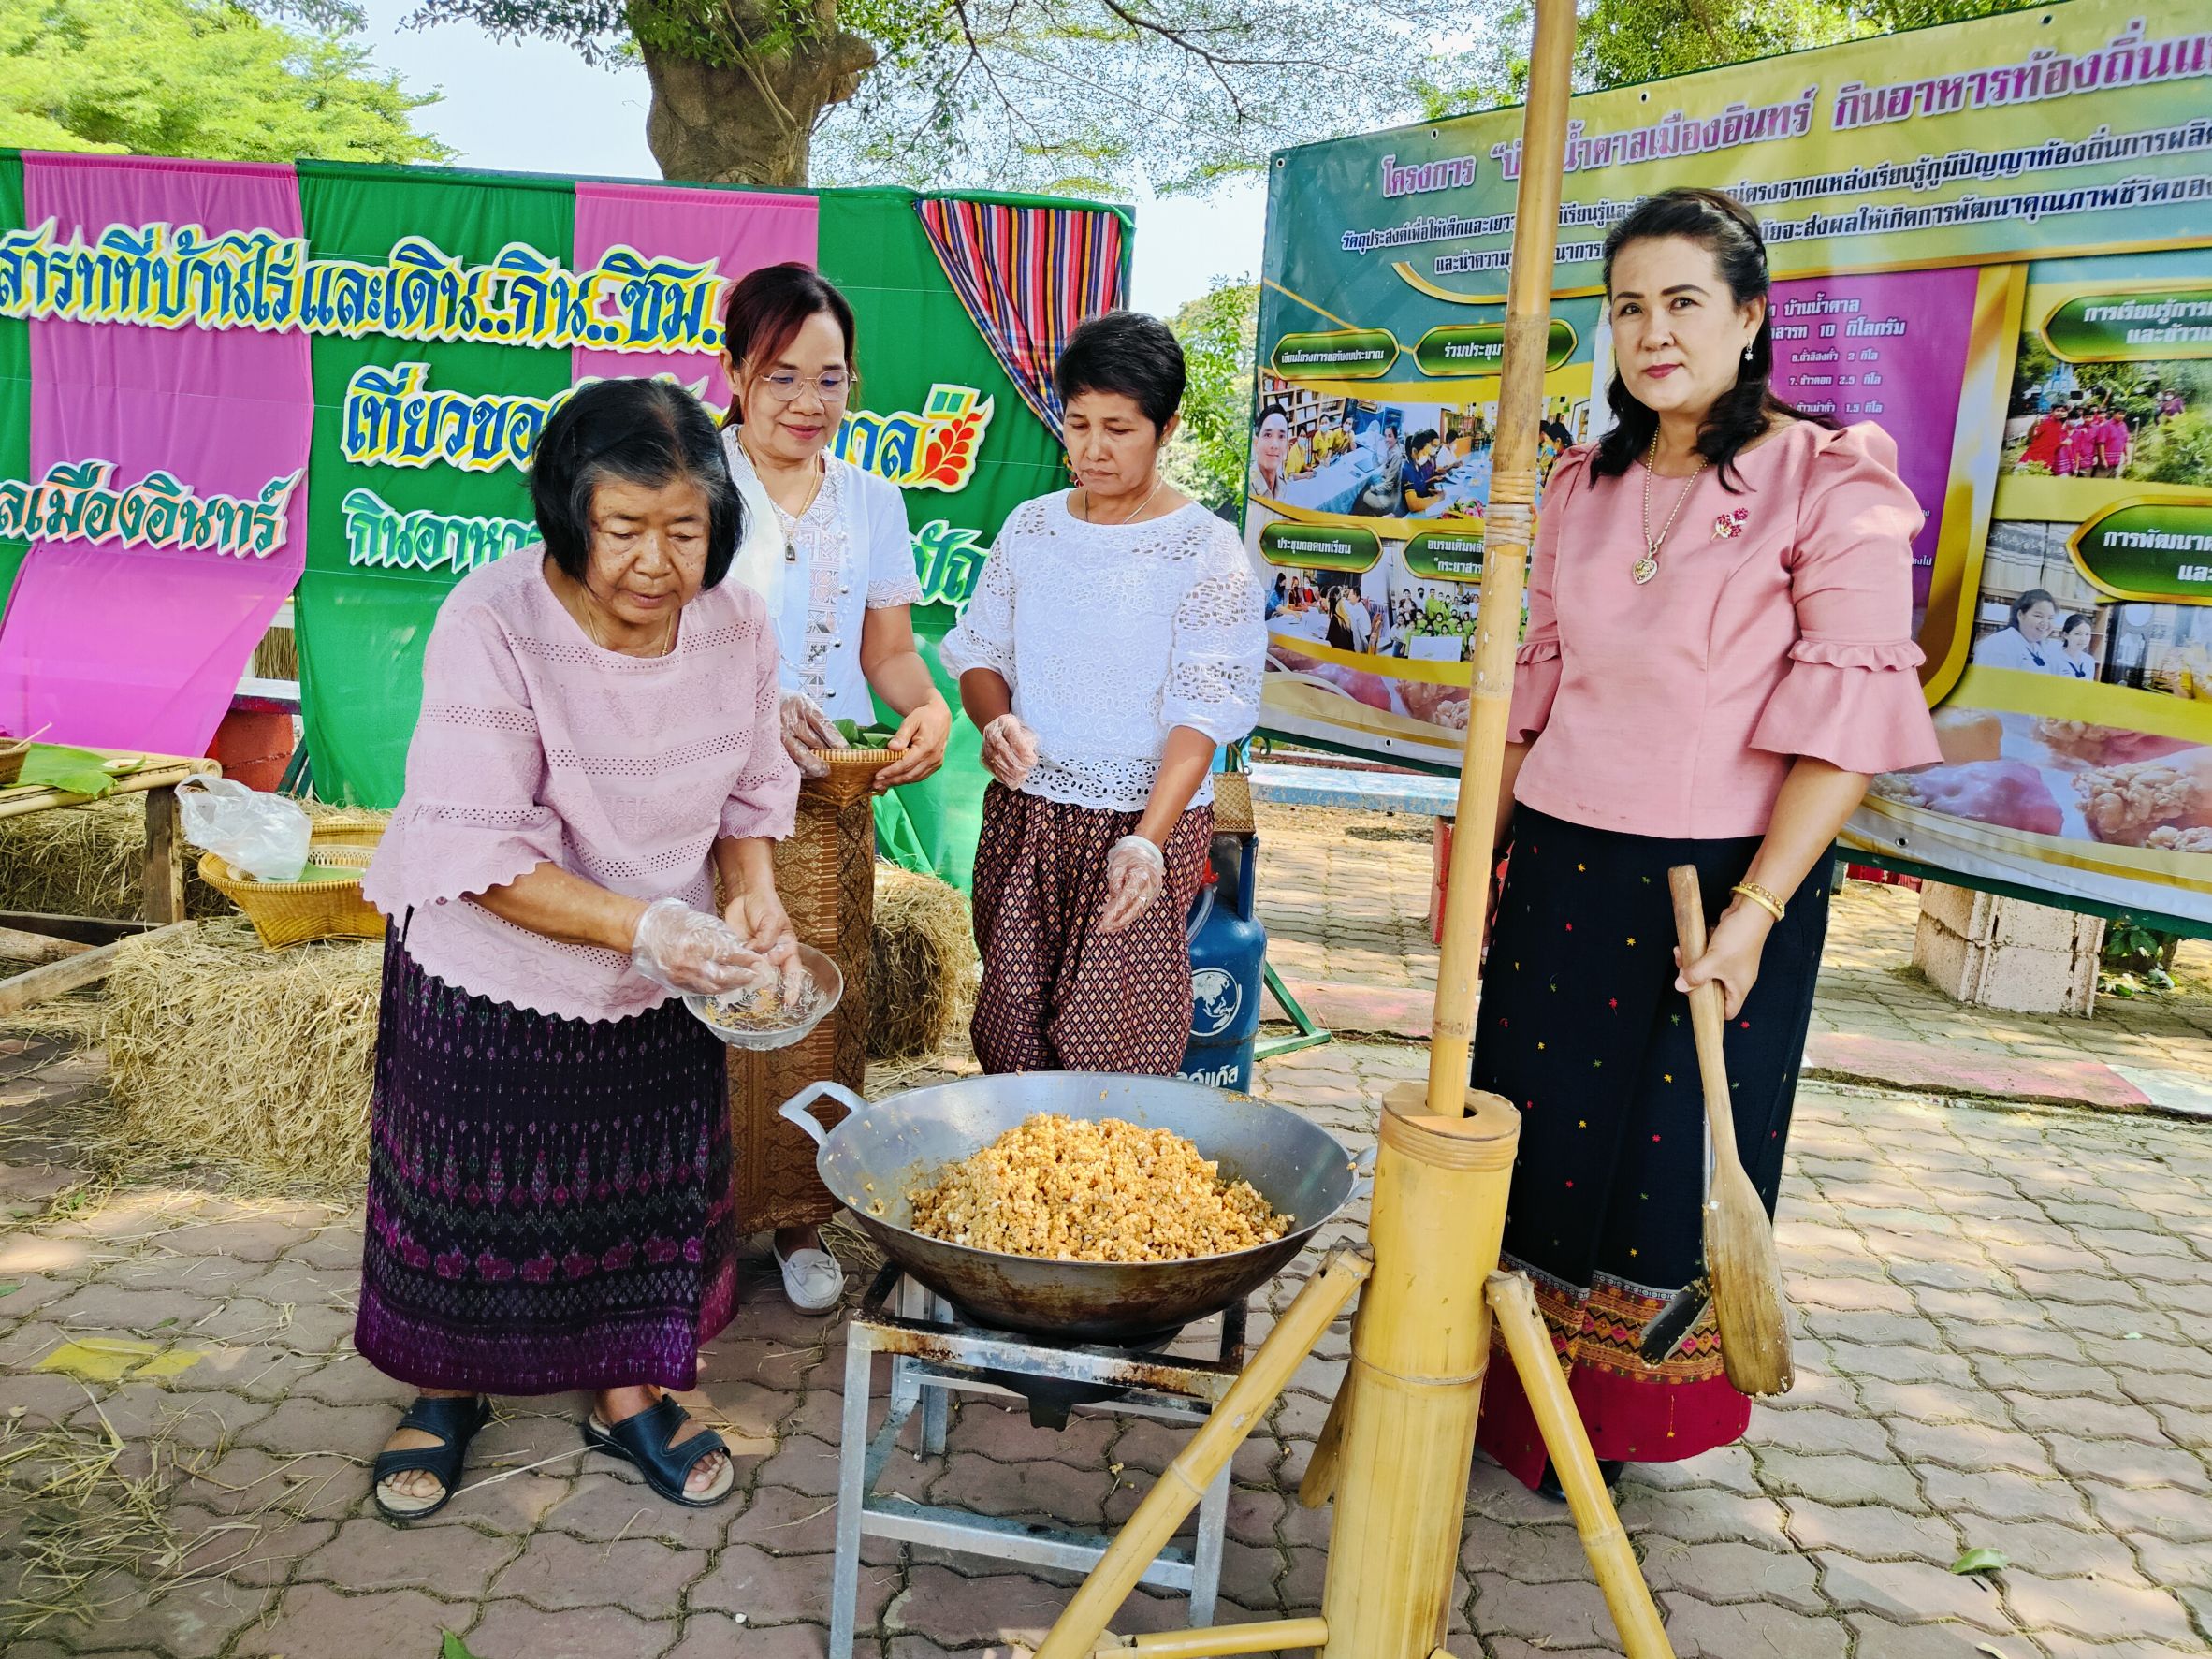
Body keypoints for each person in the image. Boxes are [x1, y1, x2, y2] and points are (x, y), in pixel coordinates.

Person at [1473, 188, 1940, 1497]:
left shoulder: (1827, 478)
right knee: (1531, 1143)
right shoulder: (1582, 484)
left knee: (1660, 1167)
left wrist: (1756, 916)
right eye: (1629, 307)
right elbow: (1533, 692)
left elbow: (1843, 736)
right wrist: (1475, 858)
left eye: (1684, 301)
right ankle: (1504, 1400)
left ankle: (1618, 1428)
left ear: (1749, 316)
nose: (1654, 332)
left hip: (1718, 886)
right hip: (1559, 867)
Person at [357, 378, 802, 1522]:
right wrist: (646, 927)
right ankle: (447, 1385)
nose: (657, 564)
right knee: (470, 1188)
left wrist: (753, 900)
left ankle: (625, 1390)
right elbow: (482, 847)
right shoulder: (494, 621)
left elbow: (752, 795)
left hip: (667, 960)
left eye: (685, 532)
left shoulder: (738, 626)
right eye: (624, 530)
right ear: (569, 516)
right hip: (497, 959)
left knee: (638, 1188)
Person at [716, 262, 953, 1311]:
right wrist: (750, 704)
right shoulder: (692, 484)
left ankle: (801, 1219)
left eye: (831, 378)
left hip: (827, 809)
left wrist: (929, 706)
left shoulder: (872, 500)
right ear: (734, 373)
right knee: (704, 1006)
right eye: (783, 377)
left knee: (815, 1008)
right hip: (698, 800)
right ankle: (695, 1224)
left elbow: (887, 651)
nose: (809, 402)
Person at [942, 310, 1265, 1074]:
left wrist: (1147, 842)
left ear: (1166, 427)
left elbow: (1200, 716)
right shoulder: (1031, 529)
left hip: (1141, 825)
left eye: (1118, 429)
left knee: (1110, 1042)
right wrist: (996, 723)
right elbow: (981, 656)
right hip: (1029, 815)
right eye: (1078, 423)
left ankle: (1109, 1154)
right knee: (1011, 1026)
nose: (1092, 448)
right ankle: (1019, 1153)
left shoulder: (1205, 550)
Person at [1974, 589, 2065, 673]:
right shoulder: (2000, 644)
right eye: (2038, 616)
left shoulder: (2037, 647)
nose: (2045, 623)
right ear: (2021, 615)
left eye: (2050, 618)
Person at [1251, 402, 1292, 500]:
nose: (1275, 445)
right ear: (1256, 443)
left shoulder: (1283, 485)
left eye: (1281, 436)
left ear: (1286, 447)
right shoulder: (1248, 488)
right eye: (1268, 435)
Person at [1401, 430, 1447, 515]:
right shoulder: (1407, 469)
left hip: (1423, 504)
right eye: (1425, 453)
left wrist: (1430, 491)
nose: (1426, 457)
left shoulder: (1418, 465)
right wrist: (1437, 498)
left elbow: (1420, 485)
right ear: (1414, 451)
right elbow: (1413, 505)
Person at [2019, 407, 2065, 472]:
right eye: (2058, 410)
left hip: (2047, 459)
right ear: (2052, 411)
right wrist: (2033, 426)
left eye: (2062, 411)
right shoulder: (2044, 421)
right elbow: (2031, 436)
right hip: (2033, 456)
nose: (2060, 413)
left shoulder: (2059, 424)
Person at [2059, 612, 2098, 680]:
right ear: (2065, 635)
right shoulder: (2054, 658)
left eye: (2087, 634)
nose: (2083, 639)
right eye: (2078, 634)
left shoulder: (2089, 660)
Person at [2093, 406, 2131, 478]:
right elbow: (2101, 444)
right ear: (2114, 414)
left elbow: (2125, 442)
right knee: (2099, 482)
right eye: (2120, 413)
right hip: (2106, 462)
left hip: (2117, 461)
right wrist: (2103, 460)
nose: (2122, 416)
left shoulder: (2124, 425)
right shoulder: (2106, 426)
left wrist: (2126, 455)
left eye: (2124, 414)